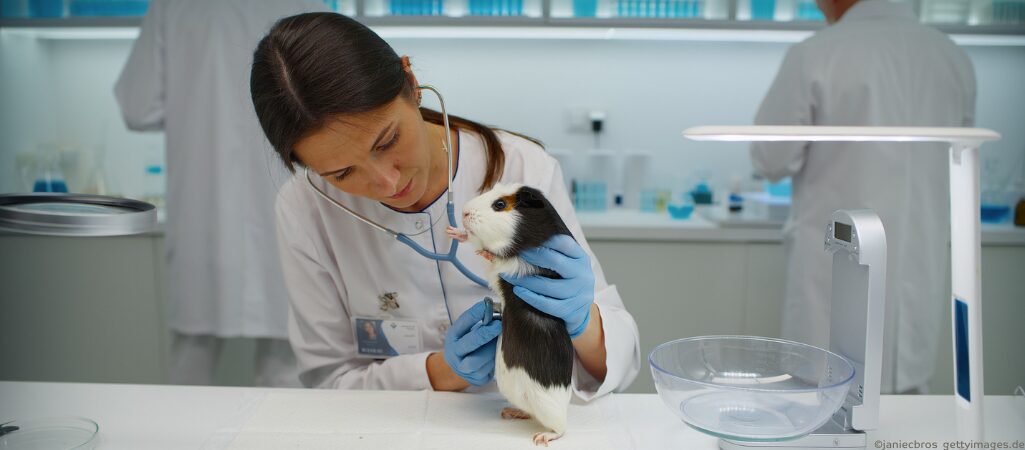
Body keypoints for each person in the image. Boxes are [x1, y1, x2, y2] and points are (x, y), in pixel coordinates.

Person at [249, 13, 641, 395]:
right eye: (342, 174)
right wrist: (441, 372)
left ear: (412, 82)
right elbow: (329, 380)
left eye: (387, 141)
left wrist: (581, 320)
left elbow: (614, 368)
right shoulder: (305, 209)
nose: (387, 182)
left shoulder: (521, 168)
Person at [751, 0, 976, 394]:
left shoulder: (816, 54)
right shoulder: (952, 58)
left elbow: (769, 157)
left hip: (835, 277)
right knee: (904, 410)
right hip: (917, 277)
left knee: (826, 406)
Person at [115, 0, 329, 386]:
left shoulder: (174, 8)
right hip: (287, 204)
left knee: (190, 365)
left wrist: (195, 107)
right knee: (286, 366)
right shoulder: (308, 5)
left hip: (203, 210)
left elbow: (138, 107)